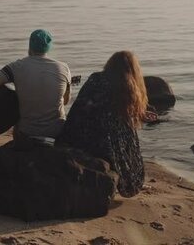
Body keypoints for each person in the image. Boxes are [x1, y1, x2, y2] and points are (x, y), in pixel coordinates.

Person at [57, 51, 148, 198]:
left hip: (76, 137)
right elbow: (121, 122)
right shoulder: (129, 86)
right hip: (104, 144)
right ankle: (127, 180)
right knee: (129, 131)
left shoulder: (95, 78)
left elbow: (81, 107)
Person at [0, 29, 71, 146]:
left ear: (30, 45)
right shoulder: (63, 68)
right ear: (49, 47)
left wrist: (14, 96)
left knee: (18, 125)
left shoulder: (16, 66)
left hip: (26, 131)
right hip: (56, 131)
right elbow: (65, 101)